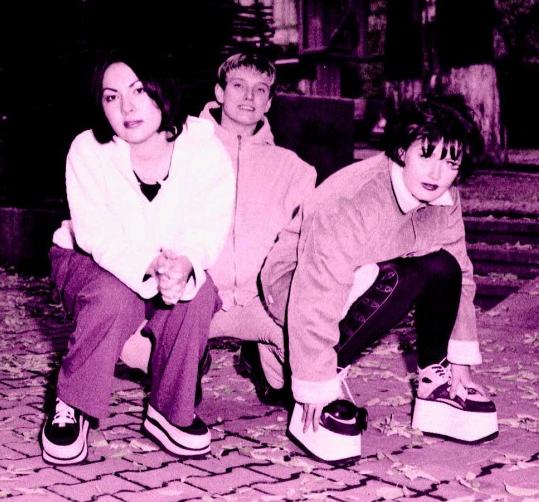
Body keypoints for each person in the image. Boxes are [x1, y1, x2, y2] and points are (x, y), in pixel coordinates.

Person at [260, 94, 498, 464]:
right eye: (426, 155)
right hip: (294, 287)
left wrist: (460, 367)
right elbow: (315, 291)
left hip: (364, 275)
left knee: (443, 267)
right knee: (397, 278)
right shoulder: (352, 200)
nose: (436, 174)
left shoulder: (446, 198)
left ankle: (434, 384)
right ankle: (298, 363)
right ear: (402, 150)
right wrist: (315, 385)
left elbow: (461, 275)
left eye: (450, 162)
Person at [40, 46, 235, 465]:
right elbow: (96, 234)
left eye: (139, 90)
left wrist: (184, 265)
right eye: (112, 97)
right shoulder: (87, 150)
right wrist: (150, 266)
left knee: (198, 294)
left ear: (162, 90)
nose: (127, 107)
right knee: (114, 297)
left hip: (172, 260)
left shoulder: (205, 149)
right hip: (87, 259)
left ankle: (172, 410)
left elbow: (208, 225)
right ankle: (73, 402)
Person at [120, 52, 317, 406]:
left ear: (269, 101)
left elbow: (303, 246)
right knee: (136, 348)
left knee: (311, 361)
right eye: (238, 86)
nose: (249, 96)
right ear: (219, 92)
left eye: (260, 89)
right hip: (195, 299)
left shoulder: (293, 169)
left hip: (260, 303)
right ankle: (190, 359)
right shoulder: (179, 149)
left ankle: (264, 362)